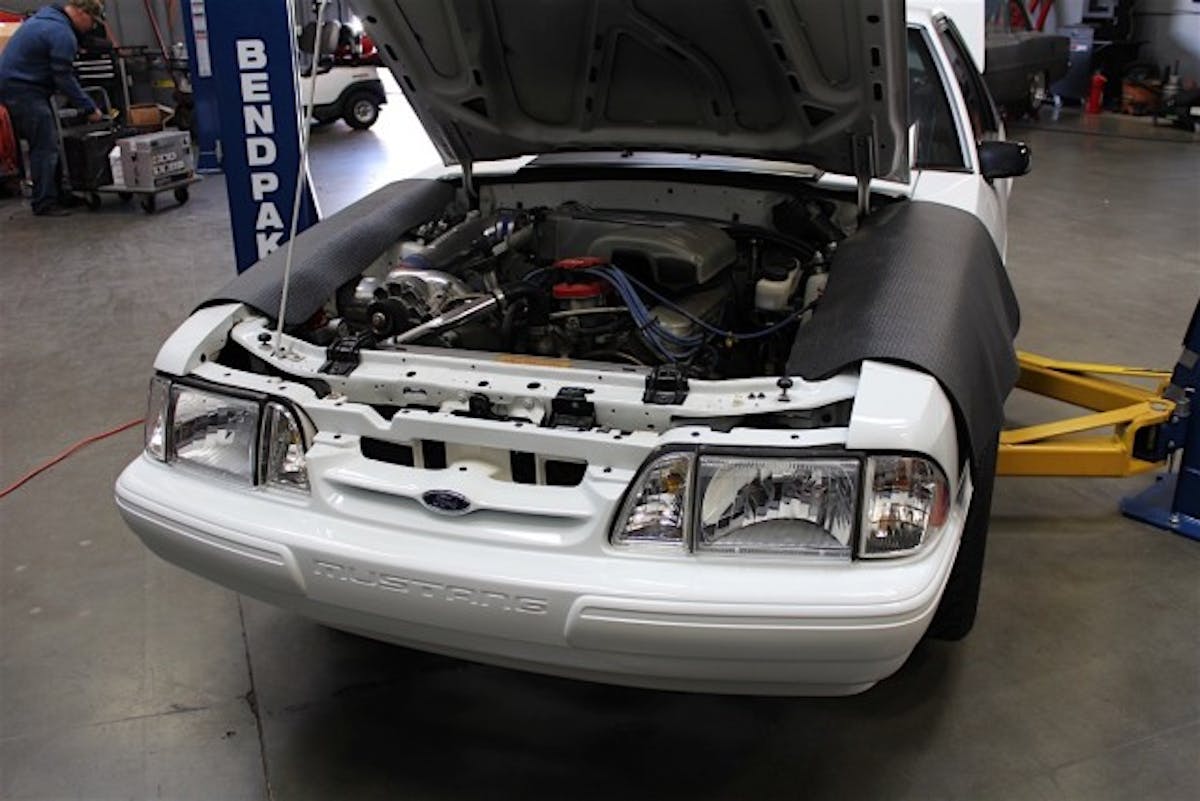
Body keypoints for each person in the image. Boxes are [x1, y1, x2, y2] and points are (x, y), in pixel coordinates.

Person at [0, 1, 105, 216]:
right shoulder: (60, 32)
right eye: (92, 21)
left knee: (49, 140)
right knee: (45, 144)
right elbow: (64, 78)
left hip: (20, 85)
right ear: (81, 12)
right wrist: (88, 107)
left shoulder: (46, 18)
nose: (91, 27)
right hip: (23, 89)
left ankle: (57, 194)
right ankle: (44, 202)